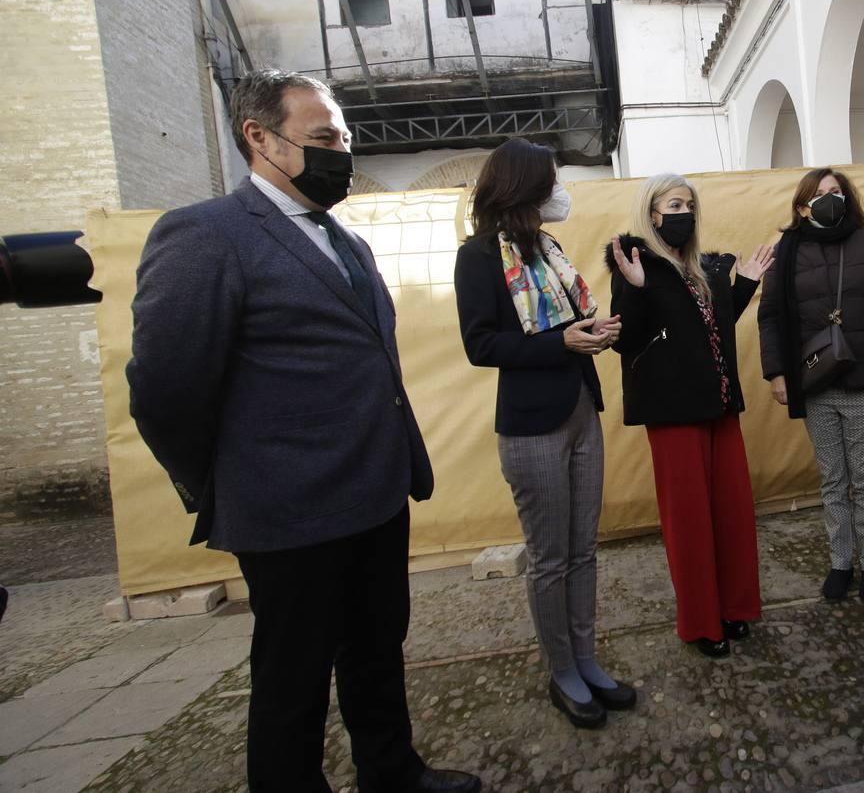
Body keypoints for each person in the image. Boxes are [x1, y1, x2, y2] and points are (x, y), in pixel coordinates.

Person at [126, 70, 479, 793]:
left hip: (376, 492)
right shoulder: (205, 235)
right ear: (260, 138)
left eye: (343, 139)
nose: (339, 153)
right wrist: (227, 481)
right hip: (287, 511)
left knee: (376, 648)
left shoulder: (344, 239)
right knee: (294, 678)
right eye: (322, 139)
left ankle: (392, 772)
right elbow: (165, 389)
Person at [453, 138, 634, 730]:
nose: (559, 190)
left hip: (581, 406)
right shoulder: (479, 256)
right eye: (551, 179)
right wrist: (563, 341)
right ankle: (562, 670)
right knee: (550, 557)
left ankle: (587, 659)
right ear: (525, 185)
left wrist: (593, 330)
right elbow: (482, 345)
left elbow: (564, 325)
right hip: (532, 424)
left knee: (583, 549)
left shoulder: (548, 248)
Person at [604, 174, 775, 658]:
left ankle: (734, 607)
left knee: (732, 513)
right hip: (674, 412)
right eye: (674, 203)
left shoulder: (703, 266)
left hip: (719, 404)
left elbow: (711, 328)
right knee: (690, 522)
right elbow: (627, 340)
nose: (685, 212)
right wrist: (635, 289)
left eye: (690, 204)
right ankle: (701, 621)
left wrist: (744, 286)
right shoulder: (637, 265)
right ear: (652, 212)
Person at [756, 168, 864, 604]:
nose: (830, 199)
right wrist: (777, 372)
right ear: (803, 206)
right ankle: (841, 562)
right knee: (832, 478)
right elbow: (769, 317)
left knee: (863, 477)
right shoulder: (787, 251)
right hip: (815, 380)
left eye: (836, 192)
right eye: (820, 194)